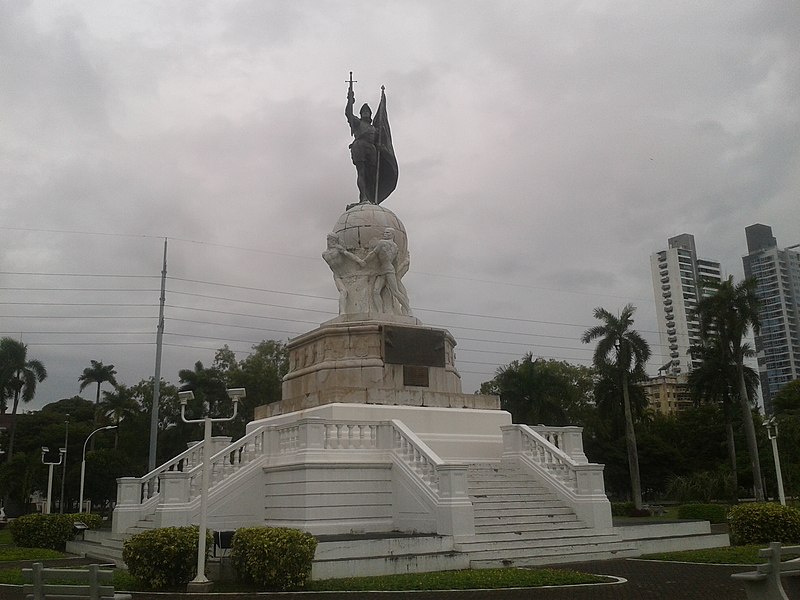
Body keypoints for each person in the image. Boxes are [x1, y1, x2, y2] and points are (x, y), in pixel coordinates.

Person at [364, 228, 411, 315]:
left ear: (392, 235)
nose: (385, 234)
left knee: (395, 291)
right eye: (384, 232)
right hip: (384, 271)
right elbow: (395, 263)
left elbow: (373, 254)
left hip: (388, 270)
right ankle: (380, 312)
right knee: (376, 291)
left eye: (387, 233)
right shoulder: (396, 247)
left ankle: (408, 309)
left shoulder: (382, 243)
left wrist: (364, 261)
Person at [345, 88, 378, 204]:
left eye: (367, 111)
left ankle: (370, 197)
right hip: (360, 146)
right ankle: (363, 197)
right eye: (363, 111)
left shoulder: (374, 128)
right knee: (362, 172)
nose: (365, 113)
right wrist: (350, 100)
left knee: (371, 175)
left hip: (371, 149)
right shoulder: (358, 123)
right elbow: (348, 114)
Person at [323, 233, 365, 314]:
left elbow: (348, 255)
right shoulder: (324, 254)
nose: (332, 242)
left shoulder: (339, 249)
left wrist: (359, 261)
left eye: (334, 240)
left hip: (346, 273)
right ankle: (342, 312)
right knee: (343, 291)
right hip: (337, 275)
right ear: (327, 240)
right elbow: (332, 266)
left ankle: (343, 312)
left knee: (347, 292)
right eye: (331, 240)